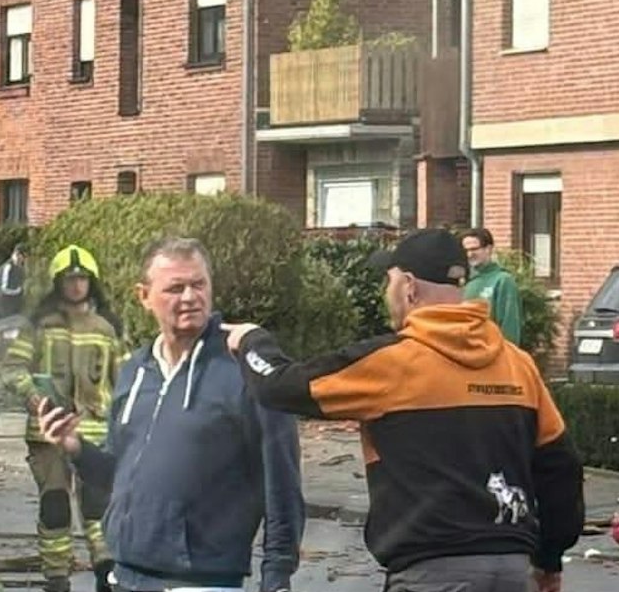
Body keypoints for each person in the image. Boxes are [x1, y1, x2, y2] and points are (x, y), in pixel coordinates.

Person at [224, 229, 584, 592]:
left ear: (409, 287)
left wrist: (252, 341)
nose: (386, 292)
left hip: (429, 572)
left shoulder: (392, 363)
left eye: (389, 280)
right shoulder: (518, 366)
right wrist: (549, 559)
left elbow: (279, 386)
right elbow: (561, 470)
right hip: (511, 570)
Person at [38, 237, 303, 592]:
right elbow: (121, 476)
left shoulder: (245, 372)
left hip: (203, 582)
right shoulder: (134, 370)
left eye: (199, 284)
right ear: (143, 296)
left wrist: (277, 579)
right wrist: (75, 449)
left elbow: (282, 487)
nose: (190, 297)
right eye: (175, 288)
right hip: (125, 577)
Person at [0, 245, 126, 592]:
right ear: (58, 283)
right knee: (55, 504)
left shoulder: (106, 329)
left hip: (95, 433)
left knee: (98, 507)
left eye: (82, 278)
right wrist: (34, 396)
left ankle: (106, 571)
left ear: (92, 283)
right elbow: (12, 368)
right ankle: (57, 578)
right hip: (47, 433)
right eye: (69, 279)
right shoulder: (38, 328)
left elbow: (126, 380)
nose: (75, 285)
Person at [461, 227, 524, 345]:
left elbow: (510, 325)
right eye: (466, 250)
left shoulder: (503, 280)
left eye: (474, 249)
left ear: (488, 249)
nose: (470, 254)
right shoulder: (463, 282)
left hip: (493, 353)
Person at [0, 240, 26, 319]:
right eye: (23, 257)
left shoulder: (19, 268)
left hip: (13, 307)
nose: (23, 260)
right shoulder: (7, 267)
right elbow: (3, 289)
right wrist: (17, 291)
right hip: (3, 308)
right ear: (17, 254)